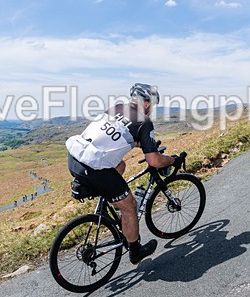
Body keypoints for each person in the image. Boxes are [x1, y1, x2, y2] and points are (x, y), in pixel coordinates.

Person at [66, 83, 178, 265]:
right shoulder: (144, 122)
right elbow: (154, 161)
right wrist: (171, 160)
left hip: (74, 158)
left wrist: (143, 143)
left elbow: (113, 135)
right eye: (153, 104)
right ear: (146, 103)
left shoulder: (116, 107)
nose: (152, 109)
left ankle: (109, 203)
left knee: (120, 164)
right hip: (94, 168)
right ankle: (136, 251)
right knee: (130, 206)